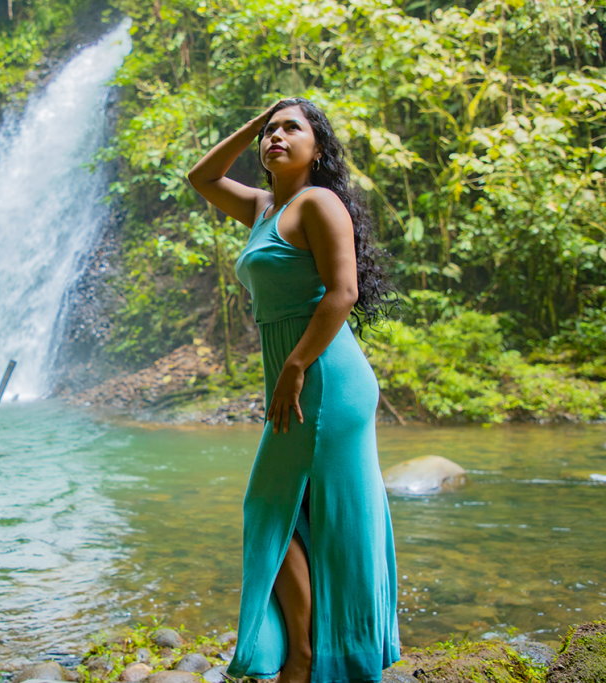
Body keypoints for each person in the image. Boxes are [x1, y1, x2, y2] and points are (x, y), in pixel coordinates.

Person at [187, 97, 401, 683]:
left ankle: (313, 658)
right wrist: (252, 122)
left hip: (324, 376)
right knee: (292, 509)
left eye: (292, 127)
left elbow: (342, 292)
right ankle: (307, 653)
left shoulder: (319, 203)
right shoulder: (261, 207)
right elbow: (200, 177)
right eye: (270, 130)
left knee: (282, 506)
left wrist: (296, 366)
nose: (276, 136)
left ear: (319, 148)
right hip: (296, 372)